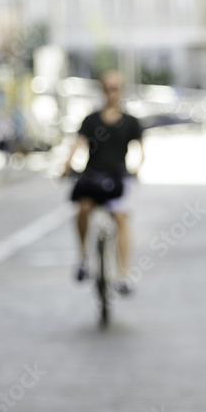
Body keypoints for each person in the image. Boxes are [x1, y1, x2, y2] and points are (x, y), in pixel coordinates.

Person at [62, 71, 144, 295]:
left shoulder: (131, 122)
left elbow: (141, 151)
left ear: (120, 90)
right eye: (107, 88)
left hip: (117, 179)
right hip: (93, 177)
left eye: (115, 88)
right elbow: (76, 144)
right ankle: (82, 257)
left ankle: (123, 274)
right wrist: (66, 166)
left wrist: (137, 168)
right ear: (102, 90)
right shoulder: (90, 120)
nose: (111, 92)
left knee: (120, 217)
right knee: (82, 209)